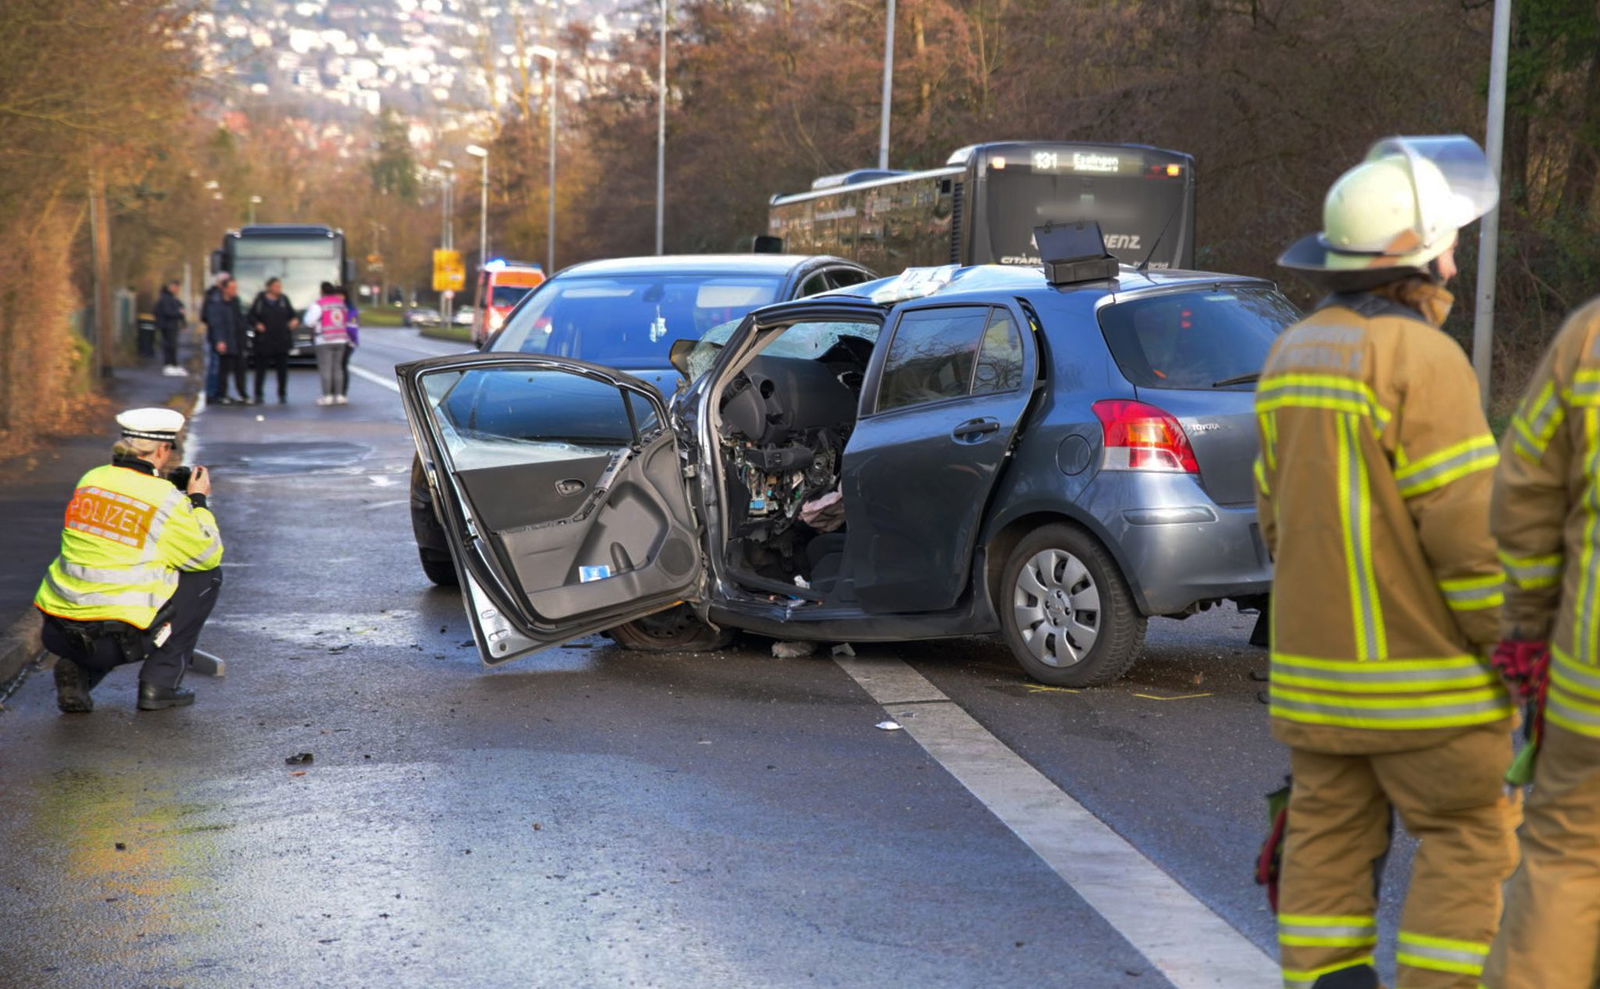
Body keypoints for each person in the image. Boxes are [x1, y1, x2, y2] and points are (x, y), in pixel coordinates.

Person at [1254, 135, 1516, 989]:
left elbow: (1274, 522)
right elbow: (1469, 534)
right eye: (1448, 238)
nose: (1454, 252)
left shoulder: (1292, 353)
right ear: (1420, 255)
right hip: (1429, 694)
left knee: (1324, 870)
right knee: (1470, 840)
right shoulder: (1424, 359)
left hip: (1317, 690)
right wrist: (1517, 650)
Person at [1479, 299, 1600, 985]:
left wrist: (1527, 627)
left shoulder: (1588, 338)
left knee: (1565, 869)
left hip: (1588, 690)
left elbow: (1523, 498)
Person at [34, 407, 224, 712]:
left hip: (58, 630)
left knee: (114, 590)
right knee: (206, 576)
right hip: (116, 638)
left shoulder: (91, 479)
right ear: (162, 449)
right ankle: (160, 685)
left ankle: (81, 672)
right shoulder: (164, 498)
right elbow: (206, 553)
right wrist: (198, 500)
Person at [248, 276, 298, 404]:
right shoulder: (260, 301)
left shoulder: (284, 300)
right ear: (269, 287)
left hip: (281, 340)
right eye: (276, 286)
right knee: (261, 369)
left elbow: (292, 315)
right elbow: (251, 316)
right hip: (264, 340)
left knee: (282, 370)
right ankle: (258, 394)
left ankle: (282, 394)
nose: (278, 289)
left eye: (280, 287)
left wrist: (294, 321)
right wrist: (257, 324)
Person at [203, 276, 250, 405]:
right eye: (232, 288)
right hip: (225, 340)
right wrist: (220, 340)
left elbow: (241, 321)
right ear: (224, 289)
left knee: (240, 369)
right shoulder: (216, 302)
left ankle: (242, 394)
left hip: (238, 340)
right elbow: (215, 323)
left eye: (236, 288)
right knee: (221, 369)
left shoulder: (236, 302)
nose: (235, 291)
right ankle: (218, 394)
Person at [301, 281, 349, 406]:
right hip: (341, 339)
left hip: (324, 339)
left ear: (322, 291)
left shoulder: (319, 304)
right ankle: (339, 395)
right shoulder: (341, 304)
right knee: (338, 368)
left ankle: (327, 396)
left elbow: (309, 321)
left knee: (326, 368)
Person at [339, 288, 360, 403]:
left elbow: (352, 326)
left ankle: (343, 392)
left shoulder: (350, 309)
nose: (338, 298)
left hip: (347, 342)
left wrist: (353, 340)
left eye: (340, 295)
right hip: (337, 340)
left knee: (342, 366)